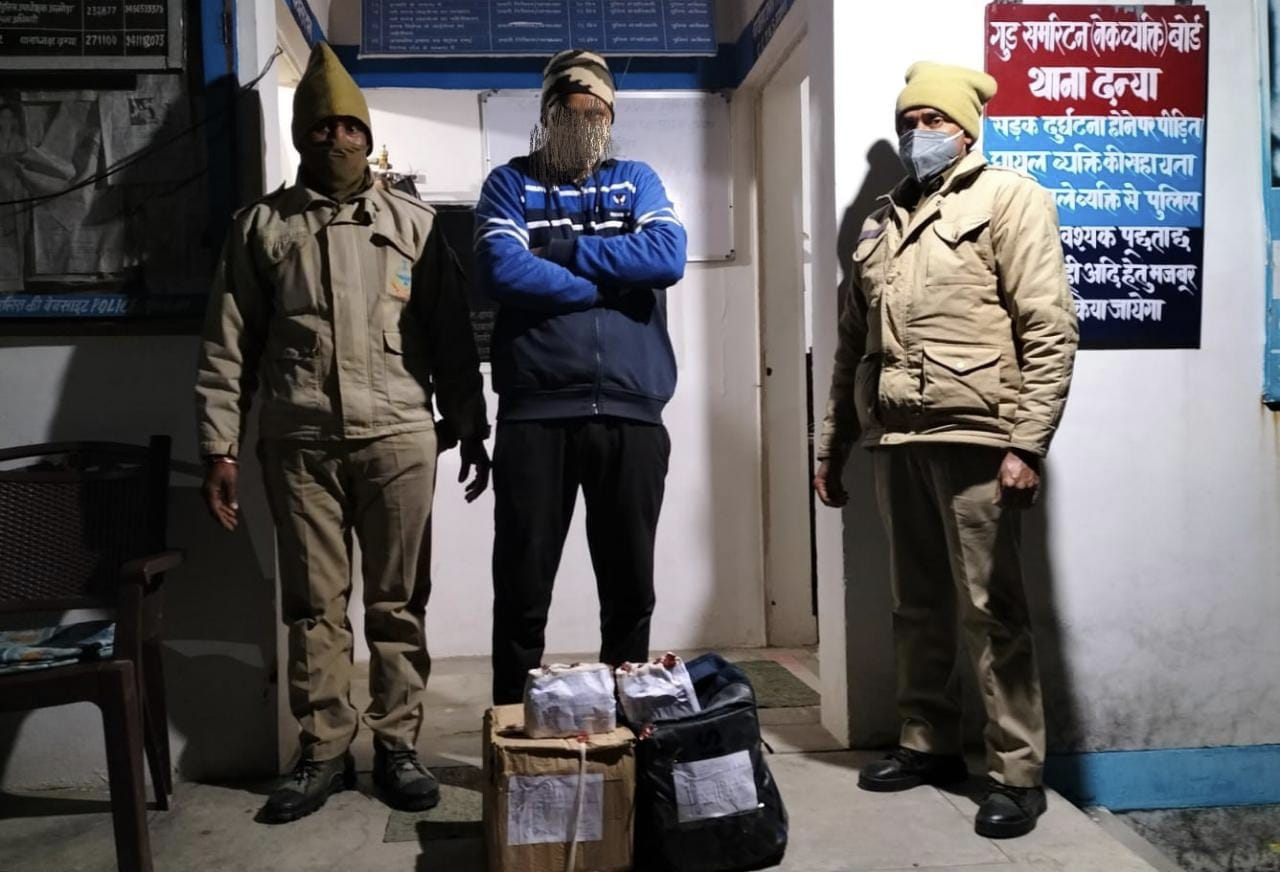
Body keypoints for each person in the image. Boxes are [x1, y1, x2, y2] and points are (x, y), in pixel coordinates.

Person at [195, 42, 490, 824]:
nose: (337, 138)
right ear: (302, 135)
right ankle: (324, 749)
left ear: (367, 135)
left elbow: (452, 339)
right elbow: (228, 346)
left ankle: (397, 745)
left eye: (349, 125)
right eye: (321, 126)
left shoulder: (415, 225)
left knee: (399, 603)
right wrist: (219, 446)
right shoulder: (261, 228)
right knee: (313, 607)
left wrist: (471, 425)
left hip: (398, 438)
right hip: (301, 443)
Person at [813, 61, 1078, 839]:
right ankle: (928, 743)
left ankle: (1017, 773)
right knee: (917, 605)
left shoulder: (1009, 197)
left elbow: (1049, 327)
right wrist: (832, 444)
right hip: (896, 437)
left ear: (967, 129)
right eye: (909, 121)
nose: (918, 133)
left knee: (992, 613)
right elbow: (850, 345)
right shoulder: (882, 219)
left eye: (933, 120)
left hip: (978, 436)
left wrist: (1028, 442)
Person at [473, 50, 688, 705]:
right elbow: (501, 267)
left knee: (630, 589)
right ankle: (513, 726)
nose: (585, 124)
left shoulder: (637, 179)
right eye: (570, 112)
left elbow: (667, 255)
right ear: (546, 116)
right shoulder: (509, 184)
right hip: (535, 414)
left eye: (598, 113)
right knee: (522, 587)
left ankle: (627, 727)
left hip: (631, 413)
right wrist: (603, 286)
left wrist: (562, 252)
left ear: (612, 119)